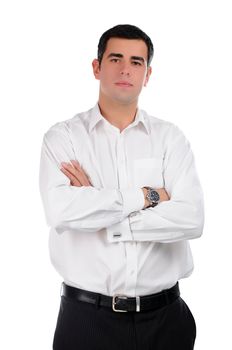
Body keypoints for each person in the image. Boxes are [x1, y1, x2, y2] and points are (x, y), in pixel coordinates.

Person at [39, 24, 204, 350]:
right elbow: (60, 210)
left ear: (148, 74)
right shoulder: (64, 138)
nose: (126, 68)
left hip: (167, 321)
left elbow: (192, 217)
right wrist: (147, 196)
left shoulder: (170, 139)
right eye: (115, 58)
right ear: (97, 67)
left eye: (136, 61)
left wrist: (98, 208)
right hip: (86, 320)